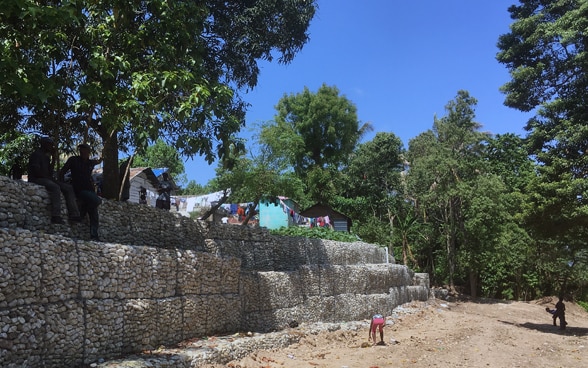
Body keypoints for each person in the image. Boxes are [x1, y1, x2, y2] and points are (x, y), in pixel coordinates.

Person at [27, 136, 81, 224]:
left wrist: (54, 159)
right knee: (55, 187)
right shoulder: (36, 154)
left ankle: (74, 214)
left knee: (68, 188)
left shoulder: (46, 157)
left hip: (46, 178)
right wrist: (48, 178)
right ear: (43, 144)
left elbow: (50, 172)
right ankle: (56, 216)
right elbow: (36, 172)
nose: (51, 147)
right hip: (36, 179)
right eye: (49, 145)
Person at [59, 143, 102, 240]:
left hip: (89, 190)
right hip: (79, 189)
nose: (83, 152)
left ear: (88, 152)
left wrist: (103, 155)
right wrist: (61, 184)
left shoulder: (90, 163)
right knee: (97, 201)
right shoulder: (73, 160)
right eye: (81, 150)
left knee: (94, 213)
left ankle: (94, 236)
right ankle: (82, 212)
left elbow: (98, 161)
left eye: (85, 150)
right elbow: (63, 171)